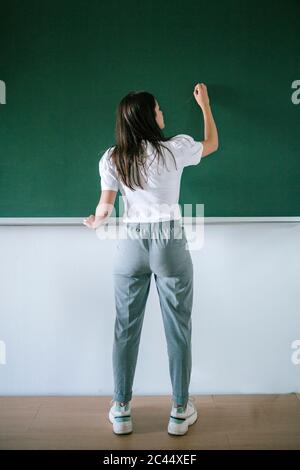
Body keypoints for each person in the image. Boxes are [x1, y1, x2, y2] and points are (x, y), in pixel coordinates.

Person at [83, 83, 219, 435]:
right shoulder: (175, 149)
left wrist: (97, 220)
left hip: (131, 241)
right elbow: (212, 144)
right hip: (168, 238)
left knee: (125, 328)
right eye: (158, 109)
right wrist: (205, 107)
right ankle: (178, 412)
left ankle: (122, 410)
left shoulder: (114, 157)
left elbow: (105, 205)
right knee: (179, 326)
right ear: (149, 117)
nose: (162, 113)